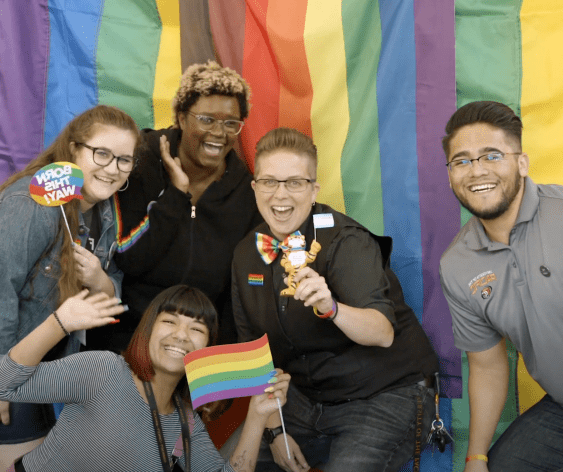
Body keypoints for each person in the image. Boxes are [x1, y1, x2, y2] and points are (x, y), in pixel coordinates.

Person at [231, 128, 439, 472]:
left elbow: (382, 332)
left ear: (314, 190)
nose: (280, 195)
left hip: (385, 393)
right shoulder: (245, 254)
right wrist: (275, 431)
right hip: (305, 401)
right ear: (255, 188)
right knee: (228, 463)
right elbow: (255, 355)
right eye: (269, 182)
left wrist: (332, 309)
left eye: (295, 182)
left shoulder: (347, 242)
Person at [0, 285, 290, 472]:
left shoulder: (186, 424)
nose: (180, 335)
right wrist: (58, 324)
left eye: (196, 329)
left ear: (206, 349)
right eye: (169, 321)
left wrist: (258, 415)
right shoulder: (104, 370)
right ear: (148, 330)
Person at [439, 101, 563, 471]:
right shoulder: (458, 265)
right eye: (462, 161)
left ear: (521, 163)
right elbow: (486, 366)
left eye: (491, 155)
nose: (476, 171)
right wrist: (476, 456)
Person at [0, 105, 141, 469]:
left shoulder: (104, 209)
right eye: (102, 154)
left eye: (124, 160)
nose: (112, 168)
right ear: (74, 149)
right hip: (10, 367)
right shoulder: (30, 205)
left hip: (44, 372)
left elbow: (110, 299)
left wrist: (100, 280)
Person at [109, 60, 262, 353]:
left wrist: (219, 372)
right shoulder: (138, 163)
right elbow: (127, 260)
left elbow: (238, 293)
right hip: (122, 341)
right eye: (206, 119)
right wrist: (176, 196)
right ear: (181, 117)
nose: (219, 132)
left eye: (231, 123)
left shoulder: (247, 193)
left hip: (195, 350)